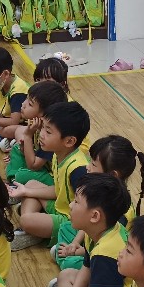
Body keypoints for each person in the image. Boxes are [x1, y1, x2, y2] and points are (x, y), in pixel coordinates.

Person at [47, 173, 132, 287]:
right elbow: (87, 265)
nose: (71, 205)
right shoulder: (97, 231)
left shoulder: (106, 251)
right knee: (65, 275)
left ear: (94, 216)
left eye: (77, 202)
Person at [51, 133, 144, 276]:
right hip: (93, 237)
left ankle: (68, 264)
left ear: (113, 175)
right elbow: (90, 222)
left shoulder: (121, 212)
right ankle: (66, 259)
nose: (87, 167)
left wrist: (76, 251)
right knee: (66, 227)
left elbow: (106, 248)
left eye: (93, 164)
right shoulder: (101, 192)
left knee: (71, 264)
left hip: (107, 256)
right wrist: (75, 243)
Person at [8, 101, 89, 252]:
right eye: (43, 128)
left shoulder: (78, 170)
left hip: (70, 222)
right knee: (30, 184)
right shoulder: (58, 154)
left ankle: (37, 231)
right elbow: (58, 191)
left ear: (69, 141)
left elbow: (90, 210)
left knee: (26, 220)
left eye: (48, 132)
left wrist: (76, 241)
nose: (41, 134)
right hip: (59, 207)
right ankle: (37, 231)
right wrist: (26, 191)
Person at [4, 80, 67, 187]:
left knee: (22, 175)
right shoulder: (38, 126)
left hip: (52, 177)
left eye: (30, 104)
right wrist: (24, 148)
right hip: (42, 166)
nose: (23, 104)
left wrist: (28, 136)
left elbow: (33, 165)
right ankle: (14, 180)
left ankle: (15, 181)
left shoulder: (49, 136)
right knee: (16, 149)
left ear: (43, 114)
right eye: (26, 99)